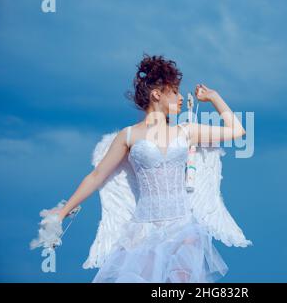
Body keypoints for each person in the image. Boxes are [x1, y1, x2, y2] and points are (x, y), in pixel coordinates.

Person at [51, 53, 252, 282]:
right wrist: (63, 212)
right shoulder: (128, 135)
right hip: (143, 230)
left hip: (183, 226)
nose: (180, 98)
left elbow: (238, 131)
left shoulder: (187, 130)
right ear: (157, 94)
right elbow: (96, 176)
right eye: (174, 91)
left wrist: (214, 97)